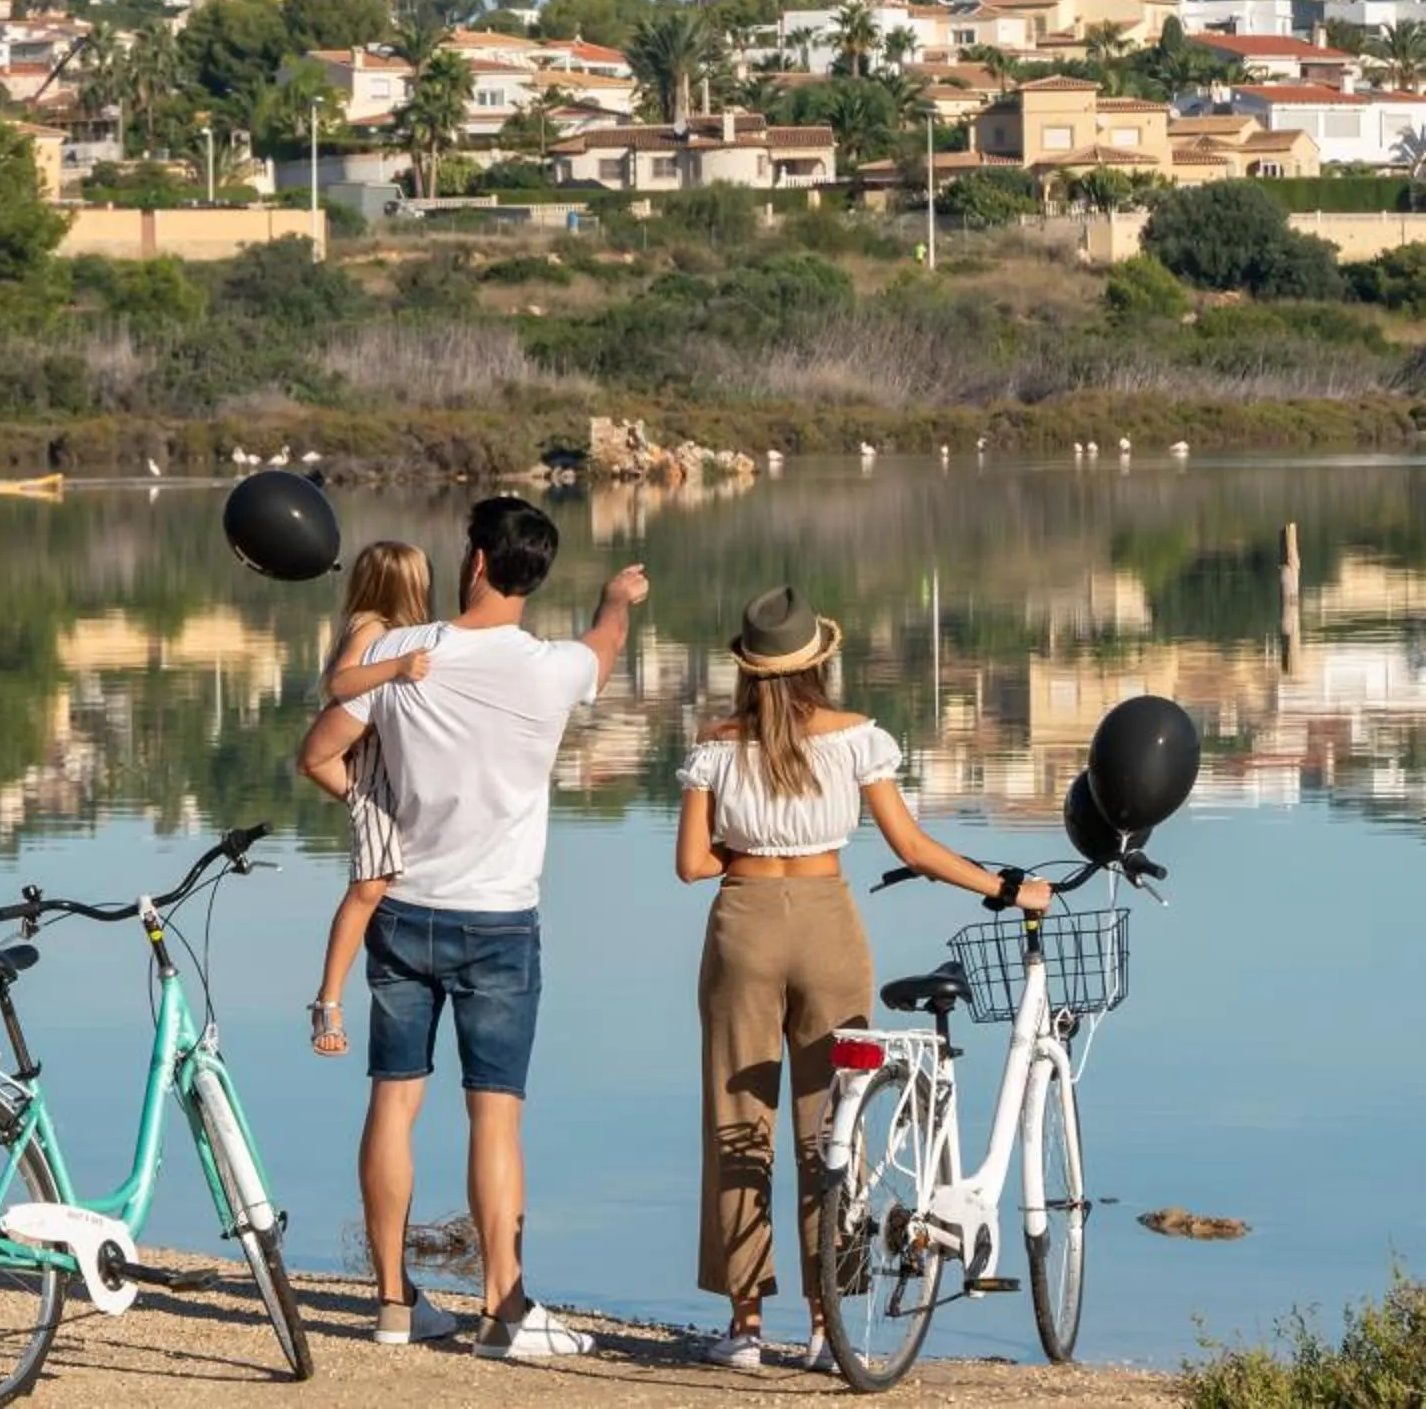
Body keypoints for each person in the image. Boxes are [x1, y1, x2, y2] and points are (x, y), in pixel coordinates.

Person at [296, 495, 647, 1359]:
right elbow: (604, 649)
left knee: (393, 1100)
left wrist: (380, 809)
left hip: (406, 908)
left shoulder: (400, 655)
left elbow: (316, 755)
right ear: (532, 576)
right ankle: (501, 1311)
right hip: (499, 921)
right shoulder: (556, 667)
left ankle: (390, 1303)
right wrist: (617, 602)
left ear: (478, 563)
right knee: (495, 1118)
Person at [674, 587, 1051, 1373]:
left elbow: (690, 866)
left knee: (736, 1118)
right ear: (820, 663)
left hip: (742, 923)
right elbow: (913, 849)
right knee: (835, 1126)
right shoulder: (857, 741)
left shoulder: (715, 746)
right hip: (829, 927)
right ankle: (826, 1324)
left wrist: (748, 858)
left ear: (747, 669)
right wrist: (1010, 890)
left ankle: (744, 1326)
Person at [308, 543, 435, 1068]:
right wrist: (397, 667)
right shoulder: (374, 629)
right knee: (367, 887)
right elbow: (341, 683)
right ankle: (328, 1000)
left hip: (382, 772)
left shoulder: (384, 631)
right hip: (374, 767)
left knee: (380, 882)